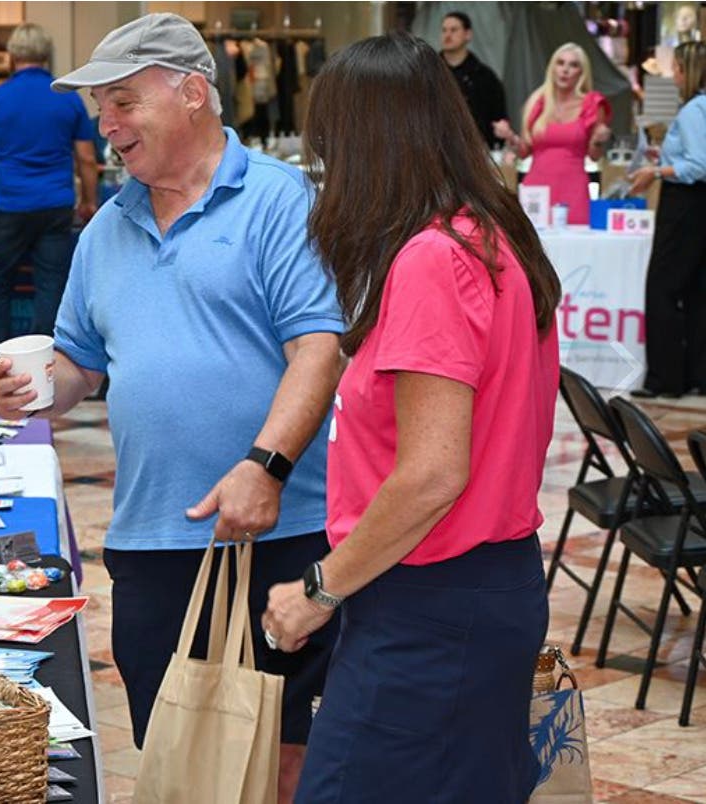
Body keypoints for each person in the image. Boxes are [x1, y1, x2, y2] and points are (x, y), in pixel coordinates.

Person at [0, 14, 344, 801]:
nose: (106, 126)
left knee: (287, 757)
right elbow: (81, 361)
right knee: (179, 749)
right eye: (100, 110)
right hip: (152, 539)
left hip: (281, 533)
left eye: (122, 102)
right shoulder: (104, 229)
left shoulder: (280, 202)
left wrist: (266, 466)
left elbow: (317, 348)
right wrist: (38, 386)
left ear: (192, 93)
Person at [262, 33, 561, 802]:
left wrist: (319, 590)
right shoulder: (495, 237)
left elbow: (432, 474)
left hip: (431, 602)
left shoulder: (433, 260)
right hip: (486, 586)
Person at [0, 23, 99, 365]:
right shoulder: (67, 98)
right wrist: (89, 200)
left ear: (11, 56)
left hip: (10, 205)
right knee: (51, 282)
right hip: (55, 204)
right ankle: (45, 359)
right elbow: (86, 158)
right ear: (46, 55)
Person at [629, 41, 706, 399]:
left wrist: (656, 170)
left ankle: (664, 378)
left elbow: (698, 165)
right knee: (695, 291)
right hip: (698, 206)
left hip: (684, 205)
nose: (672, 75)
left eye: (676, 68)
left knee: (662, 288)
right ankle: (695, 374)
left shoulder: (694, 109)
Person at [494, 43, 612, 225]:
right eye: (560, 63)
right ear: (552, 68)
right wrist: (510, 137)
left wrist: (597, 141)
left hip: (574, 187)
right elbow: (524, 151)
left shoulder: (592, 104)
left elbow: (594, 157)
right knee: (531, 245)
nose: (565, 70)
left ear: (582, 72)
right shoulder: (537, 102)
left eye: (573, 65)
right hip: (537, 188)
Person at [439, 11, 508, 148]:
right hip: (435, 146)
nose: (447, 35)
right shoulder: (428, 73)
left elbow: (498, 118)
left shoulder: (485, 77)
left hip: (475, 149)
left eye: (454, 30)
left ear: (467, 34)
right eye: (444, 30)